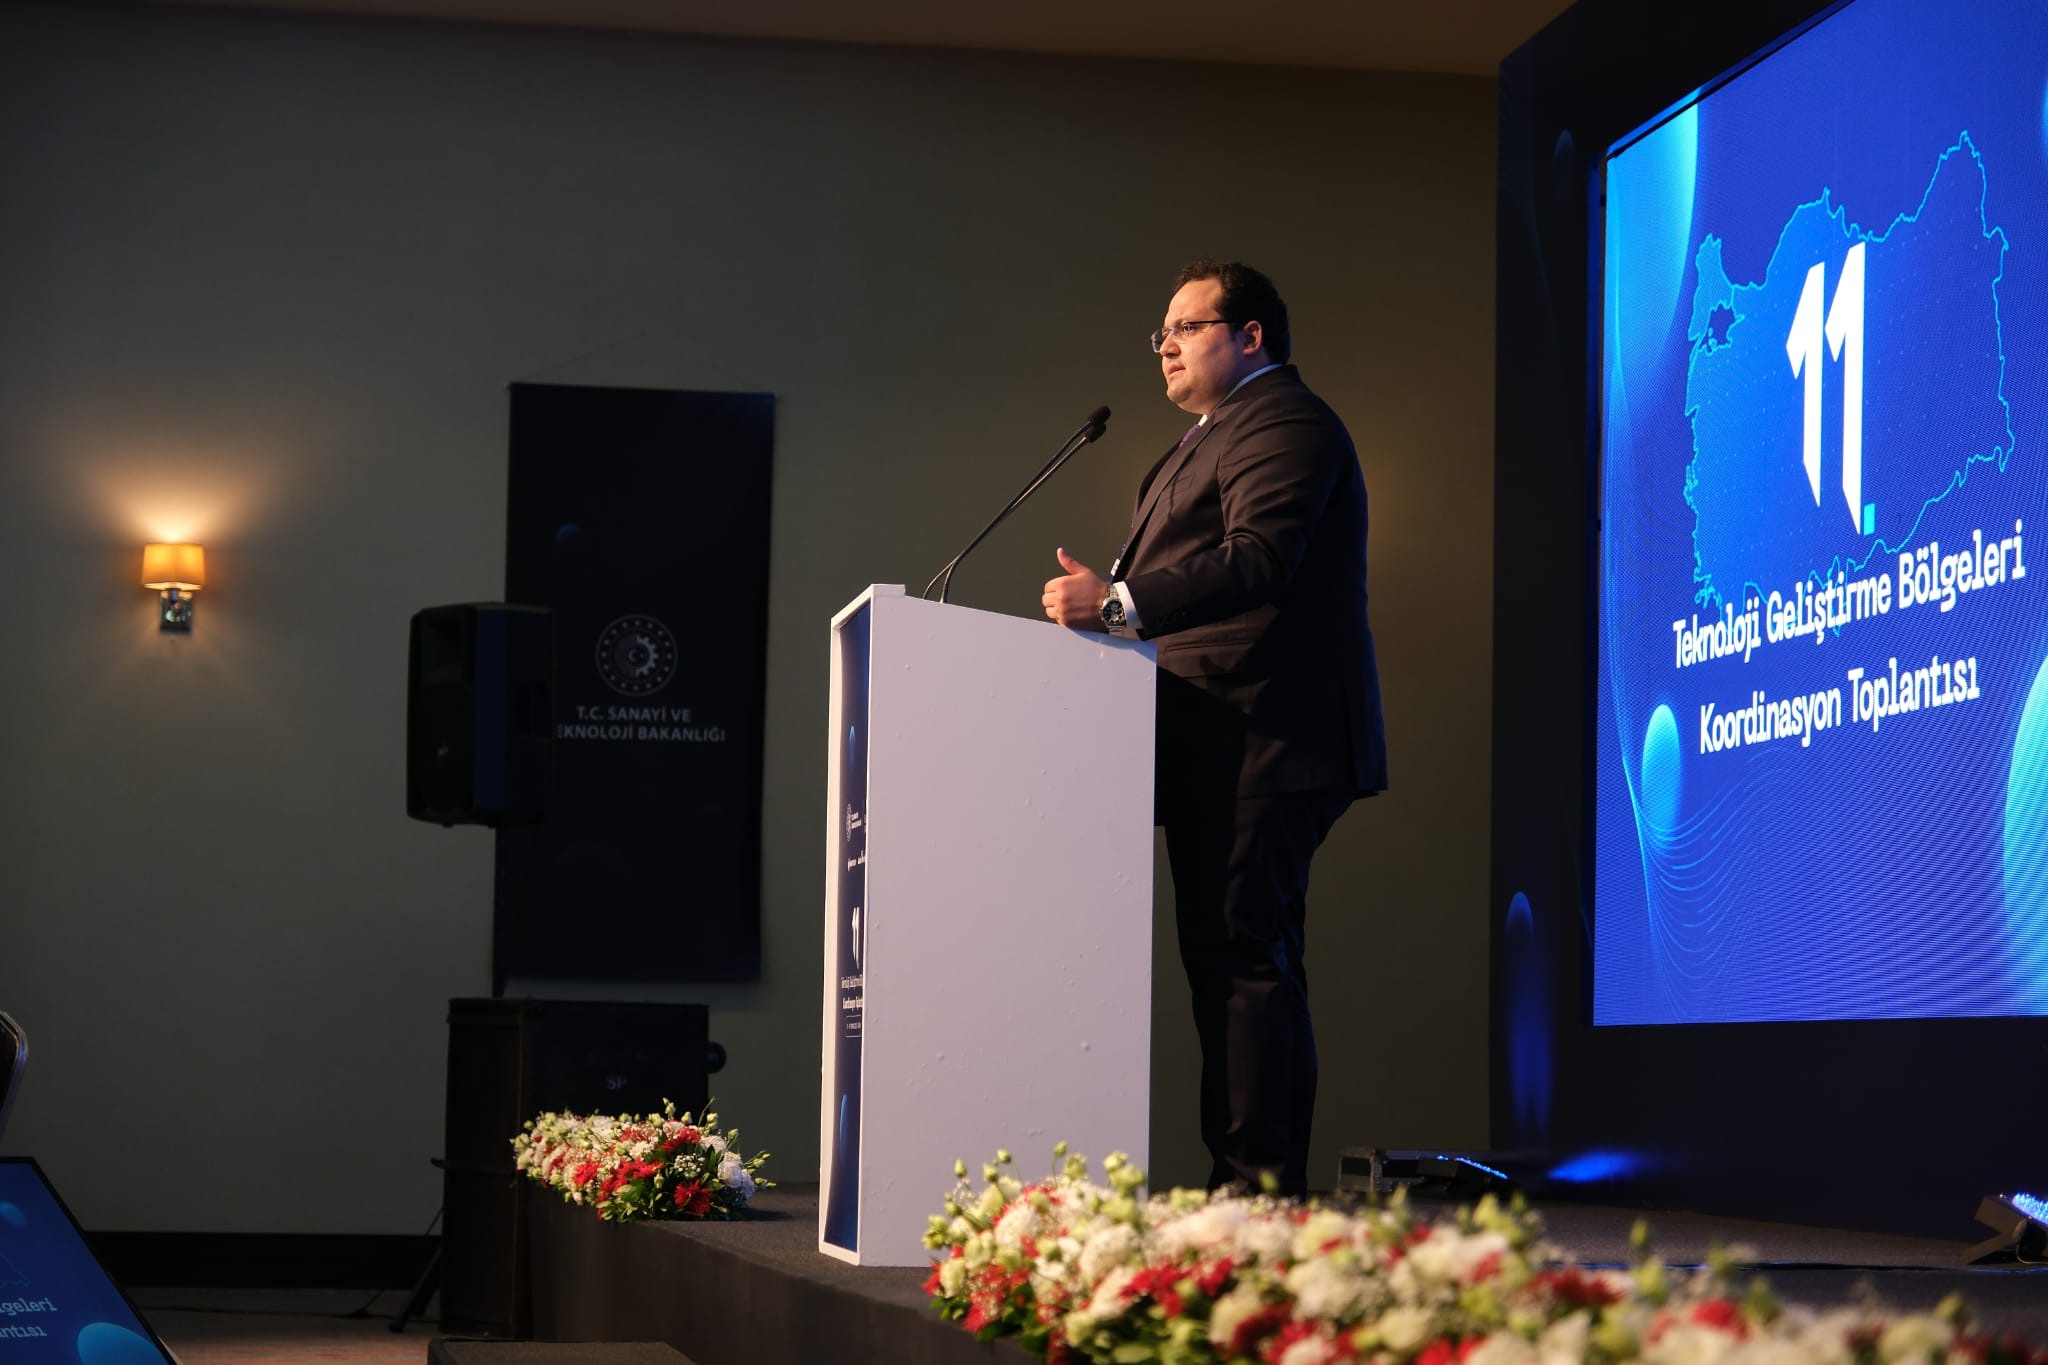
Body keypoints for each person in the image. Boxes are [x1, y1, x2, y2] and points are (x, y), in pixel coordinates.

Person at [1042, 259, 1387, 1196]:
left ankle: (1255, 1191)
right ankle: (1246, 1184)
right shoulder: (1205, 438)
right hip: (1214, 737)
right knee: (1229, 959)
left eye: (1186, 327)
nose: (1165, 345)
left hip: (1266, 732)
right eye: (1161, 331)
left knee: (1244, 959)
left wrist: (1117, 604)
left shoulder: (1283, 421)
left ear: (1251, 336)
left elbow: (1260, 558)